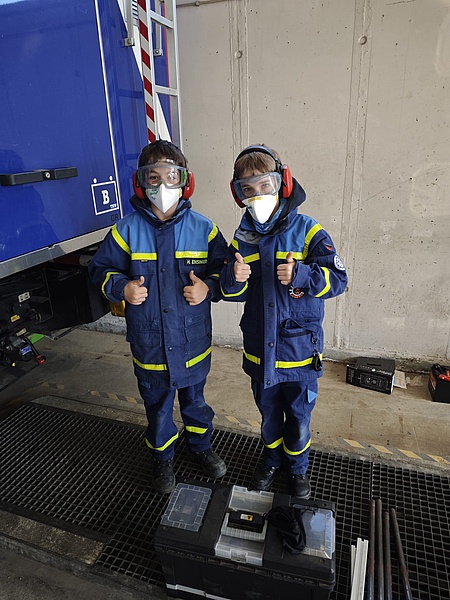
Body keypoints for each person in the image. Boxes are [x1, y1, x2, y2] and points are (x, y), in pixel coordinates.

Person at [89, 140, 228, 494]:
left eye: (171, 176)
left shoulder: (204, 229)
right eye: (154, 177)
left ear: (185, 181)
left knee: (196, 403)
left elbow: (224, 271)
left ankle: (200, 447)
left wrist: (208, 288)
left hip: (192, 343)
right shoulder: (125, 230)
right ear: (141, 183)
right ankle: (163, 458)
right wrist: (122, 288)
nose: (163, 185)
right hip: (150, 345)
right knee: (158, 407)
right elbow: (99, 269)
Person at [220, 144, 348, 498]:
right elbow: (232, 293)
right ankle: (272, 460)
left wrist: (301, 275)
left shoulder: (308, 231)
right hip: (261, 353)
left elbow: (339, 281)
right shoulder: (242, 238)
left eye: (265, 185)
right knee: (269, 416)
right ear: (238, 194)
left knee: (300, 419)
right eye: (248, 189)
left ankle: (298, 469)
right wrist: (233, 278)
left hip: (300, 355)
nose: (257, 195)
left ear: (283, 183)